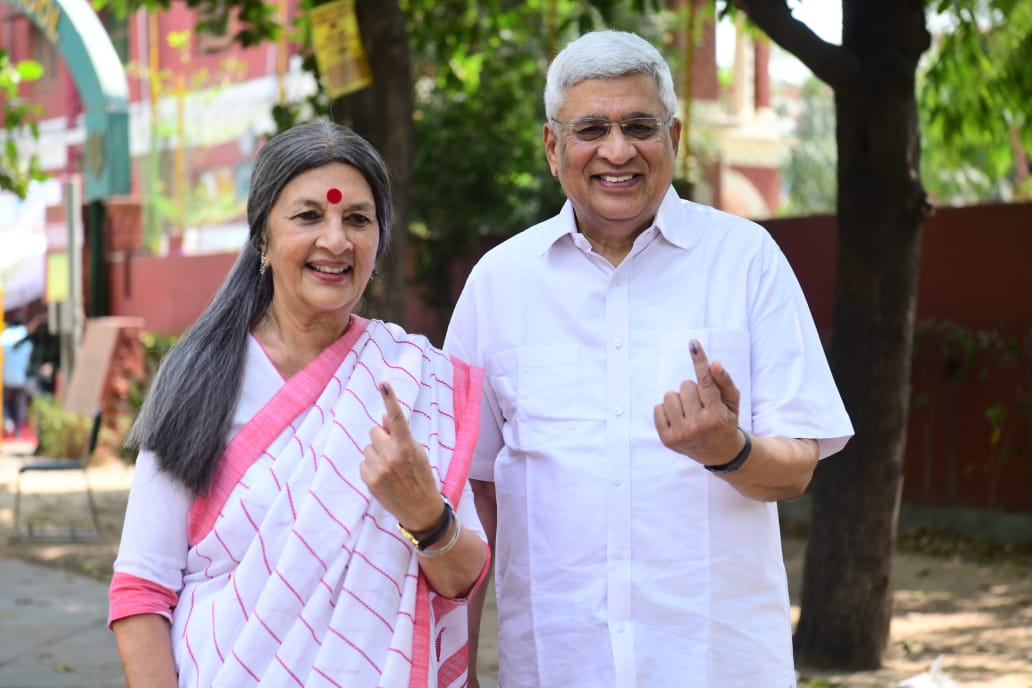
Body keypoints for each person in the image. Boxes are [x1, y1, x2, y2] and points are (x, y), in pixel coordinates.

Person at [444, 30, 854, 687]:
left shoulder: (746, 262)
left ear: (674, 137)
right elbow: (473, 494)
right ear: (553, 147)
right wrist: (454, 665)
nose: (617, 150)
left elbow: (797, 467)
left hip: (718, 664)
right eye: (590, 129)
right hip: (559, 664)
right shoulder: (498, 284)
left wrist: (730, 449)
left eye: (639, 125)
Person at [108, 121, 489, 688]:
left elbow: (464, 579)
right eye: (309, 216)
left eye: (357, 219)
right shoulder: (199, 380)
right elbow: (142, 590)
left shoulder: (412, 380)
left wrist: (426, 514)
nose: (336, 240)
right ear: (262, 236)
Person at [2, 317, 34, 439]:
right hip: (21, 378)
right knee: (20, 405)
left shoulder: (5, 335)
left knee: (6, 403)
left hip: (6, 378)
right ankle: (18, 431)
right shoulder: (25, 336)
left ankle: (9, 422)